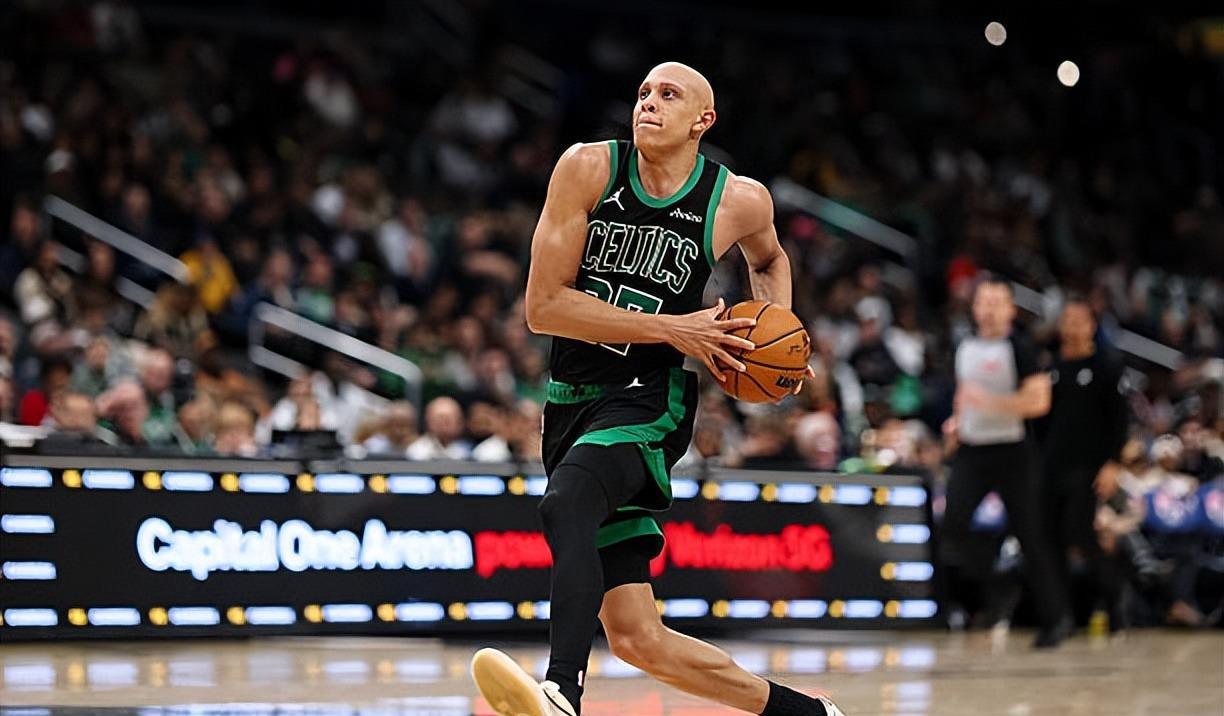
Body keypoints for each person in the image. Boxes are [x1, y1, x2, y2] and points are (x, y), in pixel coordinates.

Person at [469, 62, 840, 716]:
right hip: (570, 402)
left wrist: (771, 333)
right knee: (639, 639)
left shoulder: (738, 200)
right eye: (643, 93)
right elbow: (543, 307)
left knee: (566, 504)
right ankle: (807, 714)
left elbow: (769, 258)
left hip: (649, 399)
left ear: (703, 120)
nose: (649, 103)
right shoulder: (587, 168)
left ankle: (560, 693)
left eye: (669, 95)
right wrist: (676, 326)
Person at [941, 278, 1071, 647]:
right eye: (984, 302)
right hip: (972, 449)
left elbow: (1039, 402)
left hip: (1013, 451)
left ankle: (1056, 619)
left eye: (997, 303)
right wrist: (957, 423)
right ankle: (999, 579)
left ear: (1011, 309)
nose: (990, 310)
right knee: (952, 528)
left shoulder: (1021, 348)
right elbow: (964, 395)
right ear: (974, 307)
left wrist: (990, 404)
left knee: (1032, 536)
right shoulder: (964, 346)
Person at [1039, 297, 1131, 631]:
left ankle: (1114, 598)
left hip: (1088, 468)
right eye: (1067, 320)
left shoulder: (1107, 364)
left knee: (1079, 533)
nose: (1072, 327)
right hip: (1051, 466)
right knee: (1051, 539)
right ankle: (1061, 615)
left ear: (1092, 326)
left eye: (1079, 321)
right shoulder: (1050, 367)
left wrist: (1113, 463)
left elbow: (1120, 419)